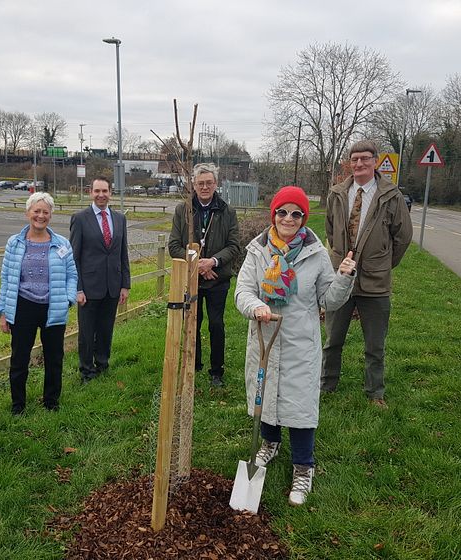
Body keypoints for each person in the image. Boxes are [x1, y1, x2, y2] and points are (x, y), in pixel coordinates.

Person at [235, 186, 356, 506]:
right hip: (265, 337)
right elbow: (243, 291)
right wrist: (255, 307)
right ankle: (270, 443)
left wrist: (343, 277)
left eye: (296, 213)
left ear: (304, 219)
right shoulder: (257, 251)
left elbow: (329, 300)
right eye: (282, 212)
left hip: (300, 341)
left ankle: (303, 467)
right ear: (273, 214)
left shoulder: (315, 254)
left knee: (300, 405)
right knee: (265, 394)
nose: (288, 218)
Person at [321, 140, 413, 408]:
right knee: (332, 339)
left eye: (365, 159)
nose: (359, 164)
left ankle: (375, 393)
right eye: (355, 159)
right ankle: (327, 385)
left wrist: (381, 263)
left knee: (375, 344)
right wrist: (340, 259)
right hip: (341, 279)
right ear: (349, 163)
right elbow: (330, 230)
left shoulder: (390, 195)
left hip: (375, 283)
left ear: (375, 161)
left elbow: (403, 237)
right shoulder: (337, 194)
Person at [0, 192, 78, 414]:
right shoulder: (14, 243)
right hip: (24, 307)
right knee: (19, 359)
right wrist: (3, 311)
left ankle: (51, 402)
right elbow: (6, 278)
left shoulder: (62, 244)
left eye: (45, 212)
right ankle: (18, 405)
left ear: (51, 215)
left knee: (54, 358)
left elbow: (72, 275)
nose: (40, 216)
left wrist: (69, 298)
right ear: (27, 213)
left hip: (54, 308)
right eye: (36, 211)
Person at [168, 163, 240, 387]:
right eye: (201, 183)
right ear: (193, 185)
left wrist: (213, 263)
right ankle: (194, 364)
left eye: (209, 183)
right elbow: (174, 245)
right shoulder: (183, 210)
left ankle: (216, 371)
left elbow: (234, 245)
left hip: (218, 279)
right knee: (192, 323)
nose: (205, 187)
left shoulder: (227, 211)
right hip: (192, 279)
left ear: (216, 184)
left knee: (216, 324)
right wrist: (198, 264)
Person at [69, 177, 130, 383]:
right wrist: (78, 289)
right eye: (97, 191)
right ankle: (87, 370)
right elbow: (74, 257)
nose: (101, 195)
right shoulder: (80, 218)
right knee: (87, 332)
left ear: (110, 192)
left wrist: (125, 284)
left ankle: (102, 364)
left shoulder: (120, 219)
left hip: (112, 286)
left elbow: (123, 254)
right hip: (88, 288)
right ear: (90, 192)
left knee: (106, 328)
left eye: (105, 191)